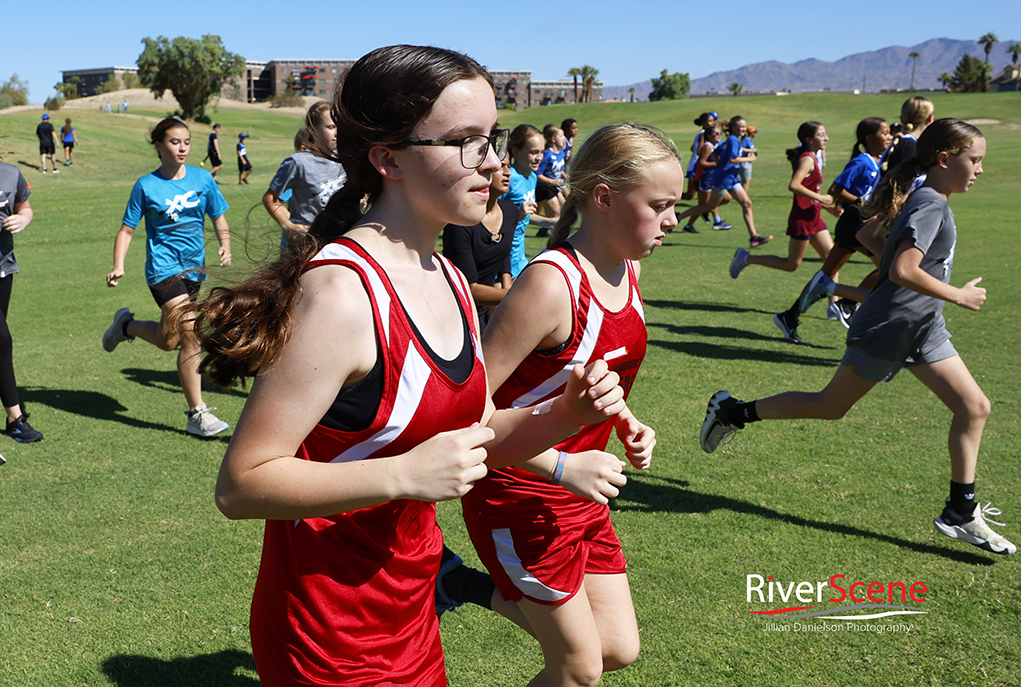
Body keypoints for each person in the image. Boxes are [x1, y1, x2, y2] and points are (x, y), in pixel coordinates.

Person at [184, 45, 626, 686]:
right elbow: (242, 484)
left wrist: (563, 418)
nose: (494, 162)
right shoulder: (341, 293)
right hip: (327, 635)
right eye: (466, 142)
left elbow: (473, 438)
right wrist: (401, 475)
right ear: (388, 158)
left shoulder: (447, 275)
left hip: (411, 605)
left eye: (493, 137)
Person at [700, 119, 1014, 556]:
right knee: (829, 407)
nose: (980, 169)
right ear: (945, 159)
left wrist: (896, 273)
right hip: (889, 327)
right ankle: (733, 412)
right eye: (974, 160)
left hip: (922, 327)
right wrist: (957, 294)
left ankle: (961, 511)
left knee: (975, 406)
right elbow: (904, 268)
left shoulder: (928, 197)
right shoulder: (930, 204)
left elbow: (870, 235)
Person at [462, 123, 671, 687]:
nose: (672, 220)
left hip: (581, 493)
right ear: (603, 197)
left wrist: (627, 421)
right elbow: (461, 410)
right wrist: (560, 464)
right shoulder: (552, 285)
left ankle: (457, 586)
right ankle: (460, 584)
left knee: (618, 648)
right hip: (519, 493)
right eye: (659, 206)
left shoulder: (629, 268)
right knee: (579, 669)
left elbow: (594, 379)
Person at [102, 117, 232, 437]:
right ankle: (197, 413)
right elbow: (127, 230)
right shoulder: (146, 186)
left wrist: (226, 245)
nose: (183, 147)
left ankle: (126, 326)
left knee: (168, 339)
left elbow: (218, 216)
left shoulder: (203, 179)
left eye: (187, 141)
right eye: (175, 142)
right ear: (159, 146)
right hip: (162, 269)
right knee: (191, 333)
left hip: (194, 269)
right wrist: (118, 264)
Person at [729, 121, 840, 344]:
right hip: (802, 217)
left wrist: (828, 207)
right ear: (809, 139)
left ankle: (834, 306)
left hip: (815, 216)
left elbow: (813, 188)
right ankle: (746, 258)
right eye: (821, 135)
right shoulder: (807, 158)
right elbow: (794, 185)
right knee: (792, 264)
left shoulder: (814, 156)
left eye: (826, 133)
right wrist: (821, 199)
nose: (826, 137)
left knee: (833, 258)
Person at [798, 117, 893, 327]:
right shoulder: (861, 161)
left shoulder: (881, 161)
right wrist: (861, 201)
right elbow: (835, 190)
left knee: (826, 274)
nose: (889, 137)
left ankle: (790, 316)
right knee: (890, 267)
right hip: (856, 224)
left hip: (861, 224)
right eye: (884, 133)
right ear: (869, 138)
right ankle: (847, 304)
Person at [442, 152, 516, 332]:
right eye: (500, 167)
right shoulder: (460, 224)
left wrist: (506, 303)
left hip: (492, 304)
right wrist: (512, 296)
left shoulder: (511, 212)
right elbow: (469, 288)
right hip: (458, 314)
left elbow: (503, 256)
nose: (508, 172)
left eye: (508, 165)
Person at [263, 101, 347, 251]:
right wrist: (288, 226)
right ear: (313, 131)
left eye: (339, 126)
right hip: (304, 251)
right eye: (330, 127)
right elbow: (270, 198)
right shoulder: (298, 162)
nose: (337, 132)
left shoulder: (346, 161)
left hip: (338, 247)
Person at [0, 158, 44, 443]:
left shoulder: (10, 173)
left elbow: (24, 208)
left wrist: (23, 220)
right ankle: (15, 417)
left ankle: (13, 420)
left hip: (3, 269)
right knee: (2, 339)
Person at [678, 116, 768, 245]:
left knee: (747, 203)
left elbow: (717, 152)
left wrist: (720, 163)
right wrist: (750, 159)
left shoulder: (732, 140)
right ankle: (678, 217)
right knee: (709, 206)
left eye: (744, 126)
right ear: (733, 127)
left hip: (731, 178)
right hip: (724, 179)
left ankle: (754, 237)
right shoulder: (733, 140)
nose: (743, 129)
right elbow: (732, 159)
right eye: (741, 126)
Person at [505, 124, 555, 277]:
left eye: (541, 152)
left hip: (519, 255)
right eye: (533, 152)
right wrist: (517, 214)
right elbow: (488, 218)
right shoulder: (508, 178)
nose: (539, 157)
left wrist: (552, 222)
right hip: (504, 256)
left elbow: (526, 216)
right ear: (516, 152)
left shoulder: (532, 177)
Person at [535, 125, 569, 233]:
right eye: (561, 136)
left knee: (565, 209)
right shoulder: (547, 154)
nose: (564, 139)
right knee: (556, 214)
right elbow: (538, 174)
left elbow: (559, 169)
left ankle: (543, 230)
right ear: (553, 139)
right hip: (544, 188)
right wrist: (553, 181)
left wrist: (565, 175)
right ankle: (557, 239)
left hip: (554, 187)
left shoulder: (561, 153)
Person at [739, 124, 757, 190]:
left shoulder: (750, 140)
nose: (756, 133)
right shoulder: (745, 140)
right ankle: (743, 196)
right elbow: (741, 148)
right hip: (744, 162)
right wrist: (752, 150)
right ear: (751, 132)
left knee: (746, 180)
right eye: (755, 132)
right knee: (746, 180)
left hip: (748, 162)